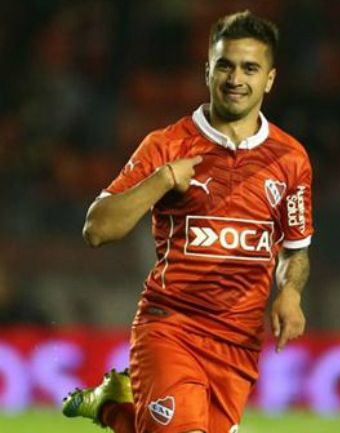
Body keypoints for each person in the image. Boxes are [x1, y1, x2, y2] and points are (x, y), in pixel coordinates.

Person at [62, 11, 313, 433]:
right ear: (208, 70)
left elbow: (295, 248)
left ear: (269, 78)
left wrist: (290, 291)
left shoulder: (291, 159)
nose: (236, 78)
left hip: (238, 345)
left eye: (250, 68)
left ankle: (115, 406)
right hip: (172, 326)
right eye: (225, 65)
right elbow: (97, 229)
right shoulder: (168, 145)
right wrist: (161, 181)